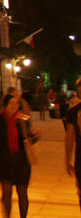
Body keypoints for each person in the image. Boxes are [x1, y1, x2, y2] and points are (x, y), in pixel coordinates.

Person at [0, 93, 37, 218]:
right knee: (6, 193)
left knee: (22, 192)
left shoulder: (24, 120)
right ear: (5, 105)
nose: (14, 106)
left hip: (21, 161)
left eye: (16, 103)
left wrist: (35, 136)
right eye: (11, 103)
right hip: (5, 161)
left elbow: (28, 139)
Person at [64, 79, 81, 210]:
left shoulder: (74, 111)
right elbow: (69, 138)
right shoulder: (74, 111)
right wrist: (67, 160)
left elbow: (69, 138)